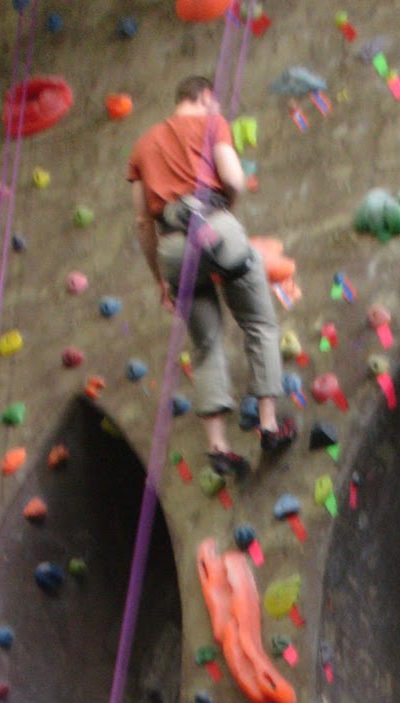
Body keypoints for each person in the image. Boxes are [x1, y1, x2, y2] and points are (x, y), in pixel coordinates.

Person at [126, 74, 296, 478]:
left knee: (205, 344)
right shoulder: (211, 123)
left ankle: (218, 447)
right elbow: (234, 178)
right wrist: (225, 212)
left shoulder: (141, 148)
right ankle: (268, 426)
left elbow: (142, 224)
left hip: (173, 248)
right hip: (216, 224)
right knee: (259, 323)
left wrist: (159, 280)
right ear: (204, 97)